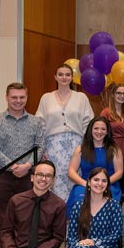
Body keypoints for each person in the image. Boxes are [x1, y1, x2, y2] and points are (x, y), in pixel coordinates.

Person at [0, 82, 45, 248]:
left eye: (22, 97)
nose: (18, 101)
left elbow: (40, 146)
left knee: (27, 217)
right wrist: (13, 166)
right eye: (14, 97)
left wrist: (27, 165)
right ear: (7, 98)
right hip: (1, 176)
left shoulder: (36, 122)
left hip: (28, 176)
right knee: (4, 219)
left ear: (26, 98)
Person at [36, 64, 93, 201]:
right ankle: (55, 217)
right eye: (60, 74)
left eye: (67, 74)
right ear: (55, 77)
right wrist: (42, 148)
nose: (64, 77)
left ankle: (72, 218)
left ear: (72, 77)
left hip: (76, 146)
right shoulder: (46, 98)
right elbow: (40, 125)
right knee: (53, 180)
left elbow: (88, 123)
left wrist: (85, 145)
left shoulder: (81, 97)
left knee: (74, 179)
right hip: (53, 147)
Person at [66, 116, 123, 213]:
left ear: (107, 132)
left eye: (103, 129)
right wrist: (87, 184)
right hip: (84, 185)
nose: (99, 132)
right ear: (90, 130)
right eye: (96, 128)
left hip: (108, 186)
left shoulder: (115, 150)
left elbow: (119, 172)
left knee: (108, 203)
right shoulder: (80, 149)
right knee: (79, 200)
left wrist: (104, 183)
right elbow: (71, 172)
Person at [100, 83, 124, 165]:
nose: (122, 96)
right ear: (113, 95)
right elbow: (101, 133)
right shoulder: (106, 112)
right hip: (110, 147)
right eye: (119, 93)